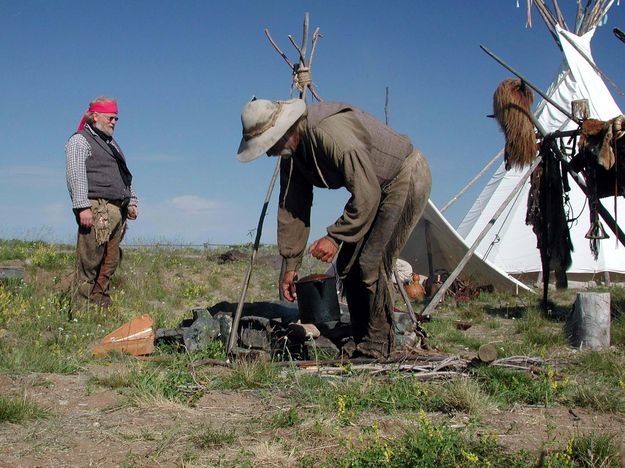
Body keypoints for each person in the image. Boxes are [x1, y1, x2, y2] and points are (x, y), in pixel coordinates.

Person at [237, 98, 431, 358]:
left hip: (404, 175)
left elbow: (367, 193)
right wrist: (290, 267)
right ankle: (364, 338)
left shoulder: (330, 134)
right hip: (374, 189)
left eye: (269, 145)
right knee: (348, 265)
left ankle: (378, 345)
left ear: (284, 130)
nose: (269, 153)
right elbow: (292, 208)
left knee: (370, 264)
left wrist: (335, 237)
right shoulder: (291, 154)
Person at [65, 96, 138, 310]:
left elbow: (124, 175)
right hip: (96, 208)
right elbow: (75, 175)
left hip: (117, 211)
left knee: (110, 261)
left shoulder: (112, 144)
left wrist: (132, 200)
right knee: (89, 262)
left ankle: (101, 304)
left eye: (116, 118)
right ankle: (82, 310)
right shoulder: (79, 141)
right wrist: (82, 207)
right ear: (95, 116)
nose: (114, 122)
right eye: (111, 117)